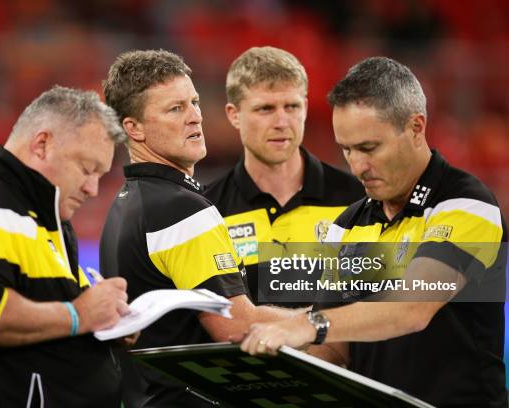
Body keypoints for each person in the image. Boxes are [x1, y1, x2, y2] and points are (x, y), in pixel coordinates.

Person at [239, 56, 507, 407]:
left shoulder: (467, 204)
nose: (357, 166)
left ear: (416, 127)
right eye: (346, 150)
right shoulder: (346, 225)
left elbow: (412, 309)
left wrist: (306, 324)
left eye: (369, 148)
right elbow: (334, 348)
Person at [100, 49, 306, 407]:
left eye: (193, 102)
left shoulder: (124, 206)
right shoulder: (181, 209)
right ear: (133, 128)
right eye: (175, 109)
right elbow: (236, 326)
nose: (195, 117)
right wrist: (324, 324)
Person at [0, 86, 131, 407]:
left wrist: (107, 322)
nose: (93, 189)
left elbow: (56, 326)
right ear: (41, 145)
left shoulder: (47, 220)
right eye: (87, 169)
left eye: (100, 175)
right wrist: (78, 315)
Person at [204, 46, 363, 305]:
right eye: (265, 109)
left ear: (306, 108)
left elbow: (376, 307)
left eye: (291, 106)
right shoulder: (208, 212)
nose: (281, 122)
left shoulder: (358, 200)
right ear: (234, 115)